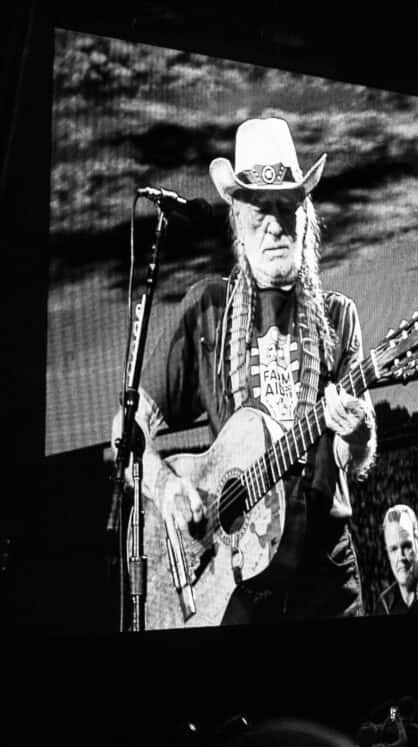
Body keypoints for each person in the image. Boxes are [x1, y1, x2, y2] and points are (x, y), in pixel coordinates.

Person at [113, 116, 374, 624]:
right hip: (233, 579)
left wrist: (358, 434)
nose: (275, 223)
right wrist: (166, 488)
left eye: (287, 206)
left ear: (306, 216)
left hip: (324, 571)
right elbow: (129, 428)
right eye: (259, 209)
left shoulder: (338, 317)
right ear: (237, 217)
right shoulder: (208, 309)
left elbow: (355, 455)